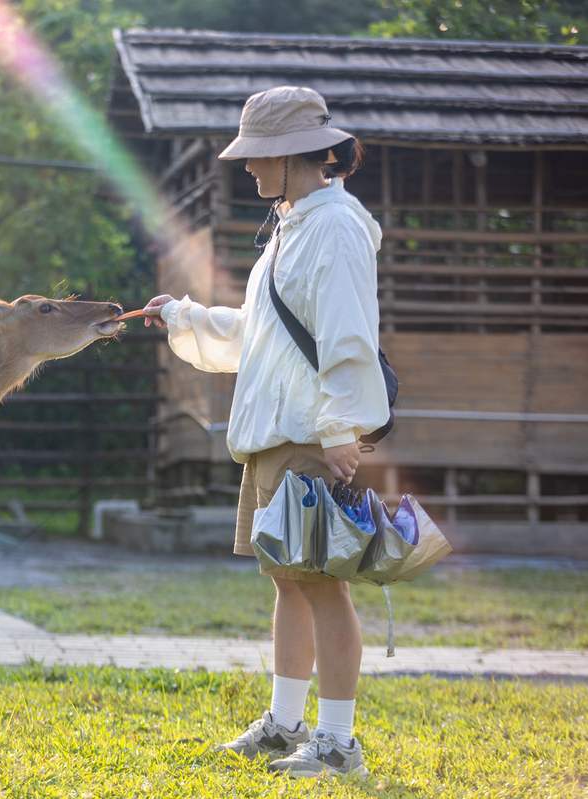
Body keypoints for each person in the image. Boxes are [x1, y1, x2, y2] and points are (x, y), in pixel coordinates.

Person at [142, 86, 389, 778]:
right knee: (288, 579)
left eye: (257, 158)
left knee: (321, 582)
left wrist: (340, 424)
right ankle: (286, 724)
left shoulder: (336, 226)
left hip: (311, 430)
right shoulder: (294, 223)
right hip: (276, 431)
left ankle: (337, 743)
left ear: (292, 156)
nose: (248, 171)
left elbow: (346, 333)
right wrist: (186, 317)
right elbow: (263, 334)